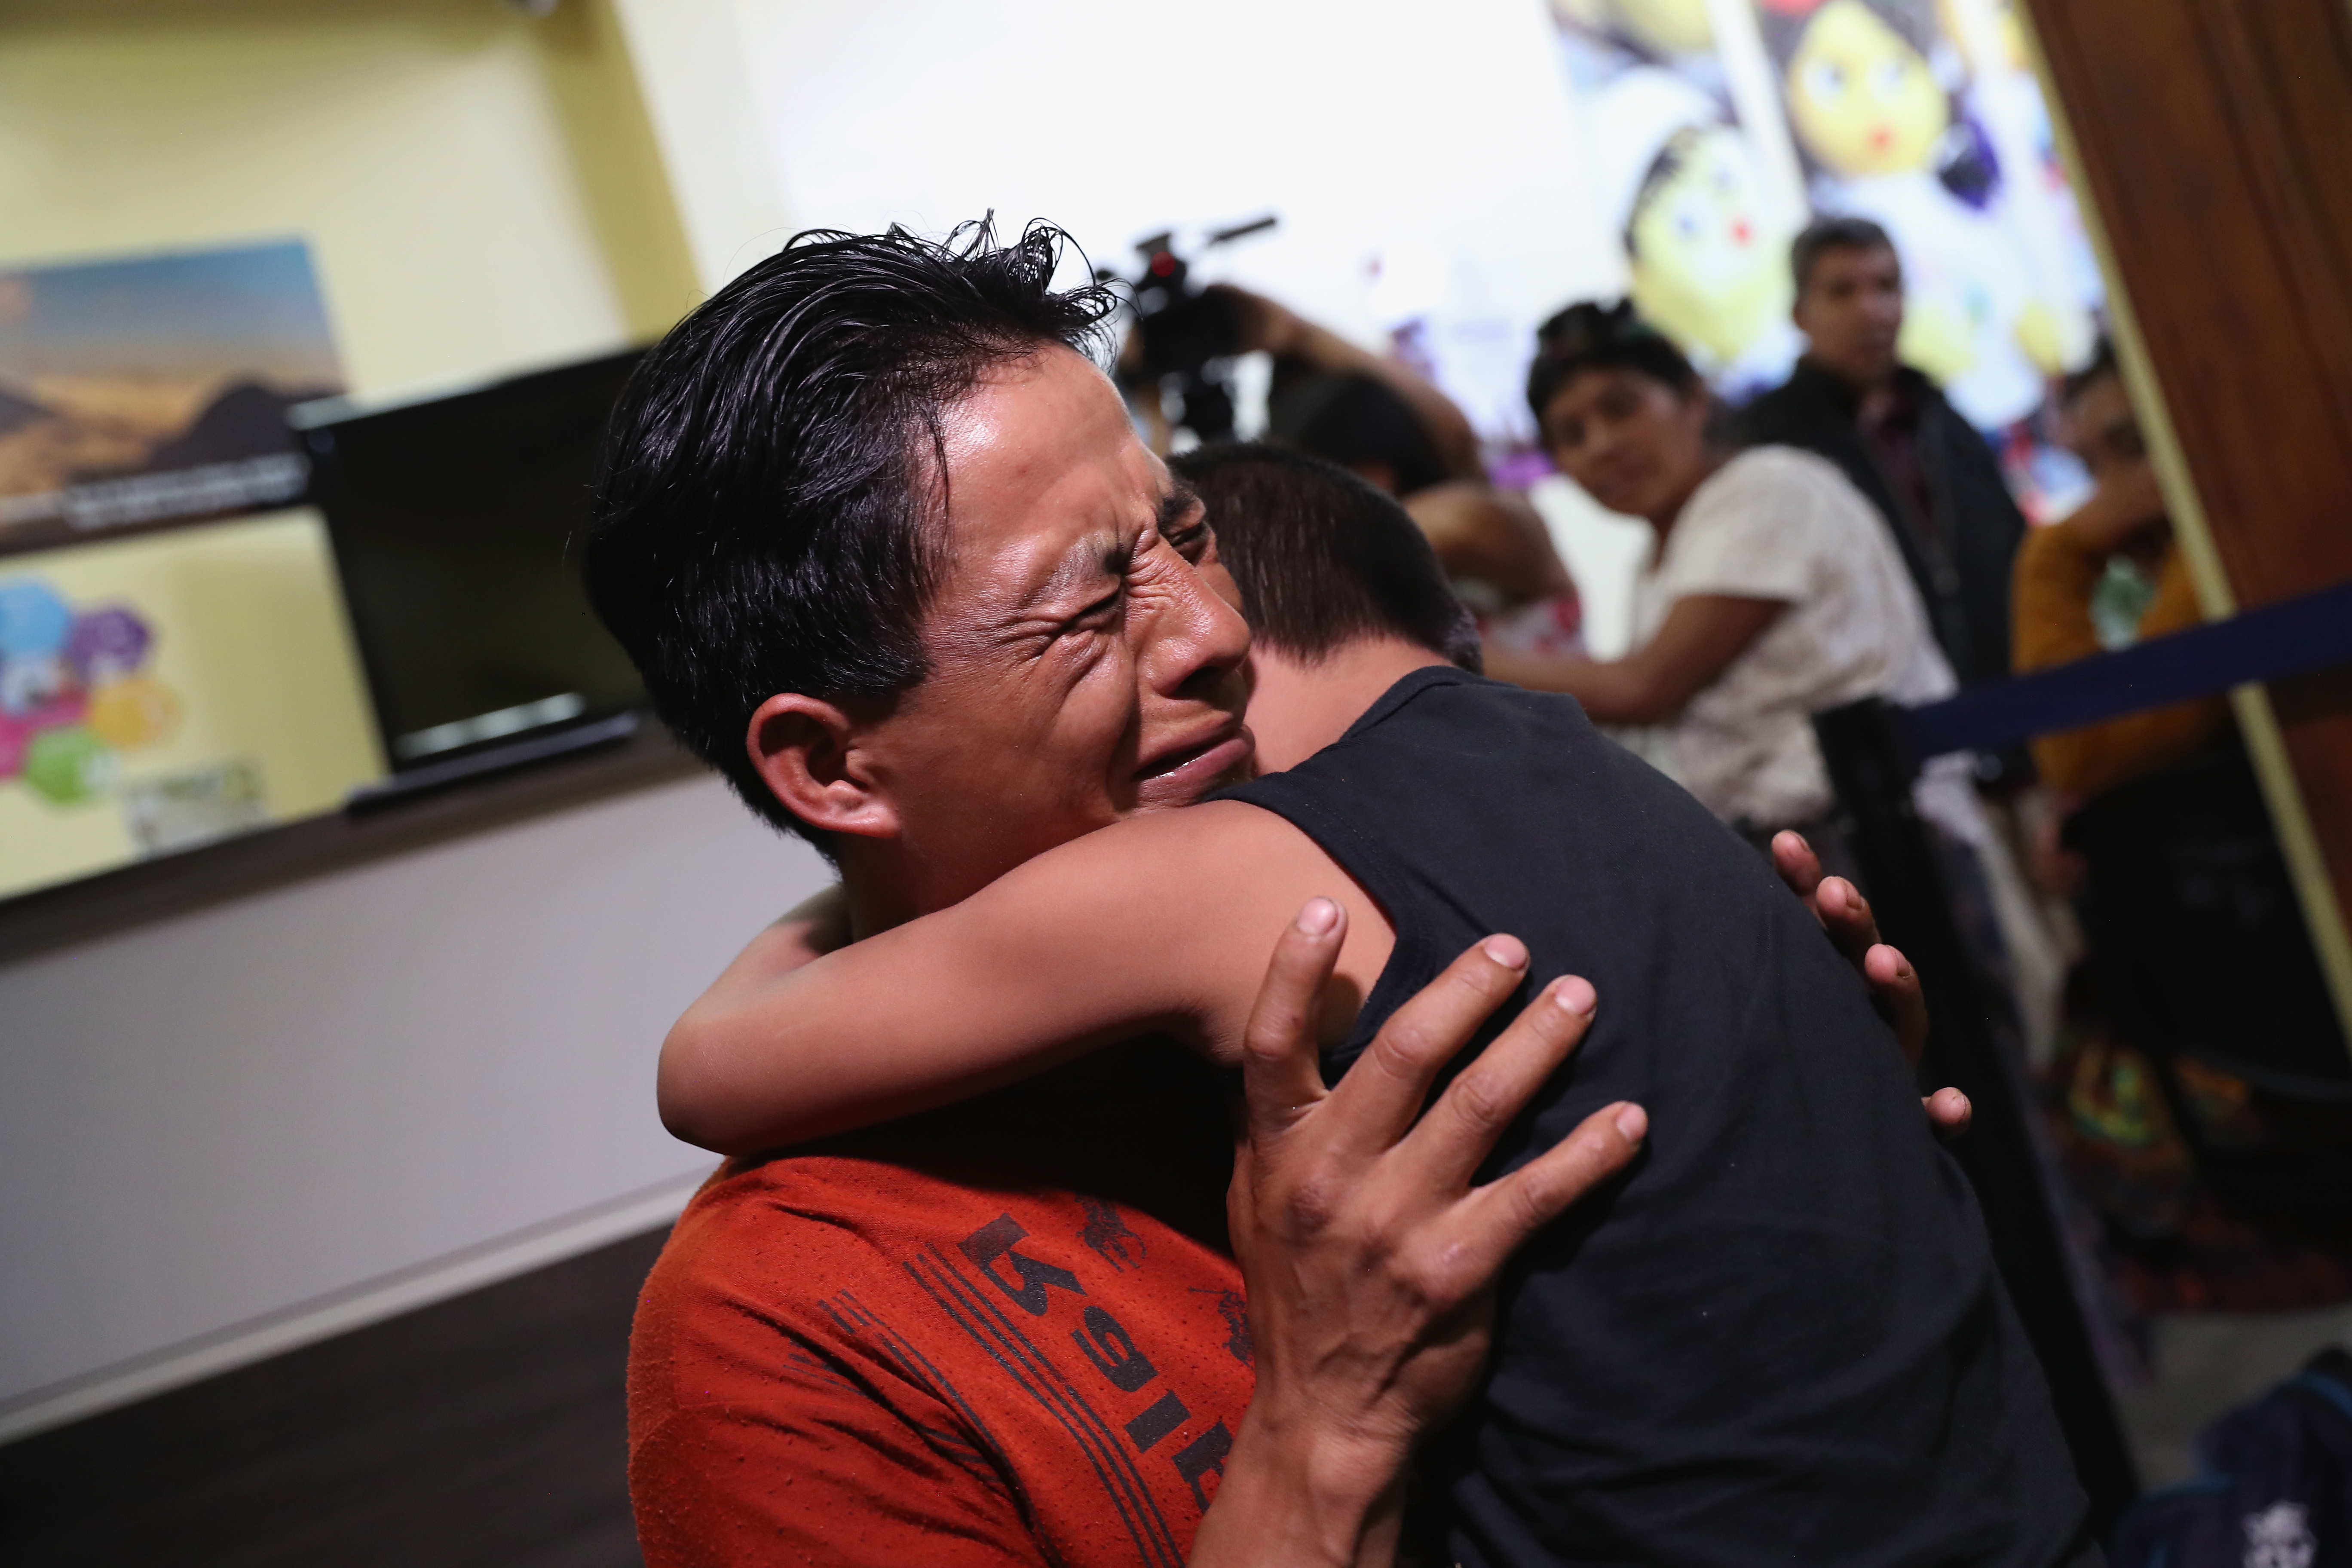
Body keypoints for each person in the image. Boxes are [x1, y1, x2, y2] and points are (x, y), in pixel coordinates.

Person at [601, 226, 2086, 1566]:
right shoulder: (789, 1322)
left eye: (1185, 538)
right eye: (1085, 599)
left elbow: (709, 1058)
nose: (1215, 632)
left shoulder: (1307, 935)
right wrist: (1325, 1429)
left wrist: (1762, 1137)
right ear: (829, 766)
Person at [1485, 299, 1965, 868]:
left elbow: (1642, 690)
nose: (1601, 446)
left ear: (1693, 400)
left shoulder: (1766, 489)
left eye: (1621, 408)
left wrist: (1449, 656)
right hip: (1787, 853)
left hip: (1884, 849)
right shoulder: (1661, 551)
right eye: (1571, 434)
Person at [1738, 215, 2030, 697]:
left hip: (2008, 711)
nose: (1871, 310)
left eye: (1887, 287)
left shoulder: (1944, 421)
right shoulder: (1769, 445)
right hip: (1885, 732)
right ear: (1799, 314)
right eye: (1842, 292)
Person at [1217, 286, 1586, 662]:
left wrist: (1302, 332)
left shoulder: (1477, 520)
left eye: (1299, 491)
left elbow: (1456, 438)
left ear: (1372, 477)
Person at [2012, 340, 2230, 798]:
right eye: (2092, 471)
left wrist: (2057, 556)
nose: (2109, 501)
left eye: (2134, 448)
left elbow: (2082, 750)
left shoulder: (2232, 544)